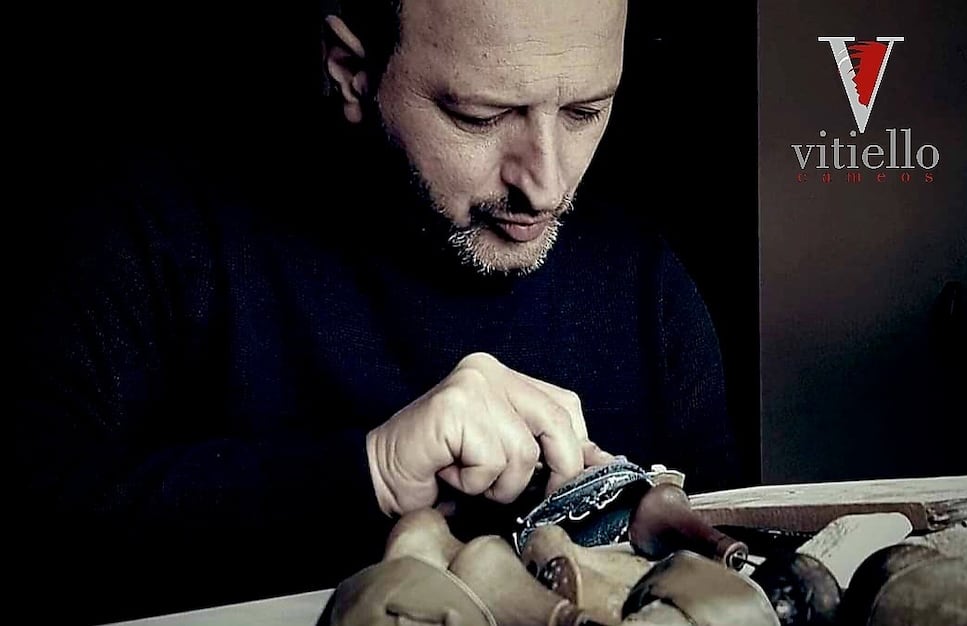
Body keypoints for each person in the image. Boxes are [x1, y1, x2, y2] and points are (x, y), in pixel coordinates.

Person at [15, 0, 744, 623]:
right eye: (481, 116)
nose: (546, 186)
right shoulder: (154, 235)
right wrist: (368, 473)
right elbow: (36, 527)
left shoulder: (645, 284)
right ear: (351, 72)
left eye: (585, 111)